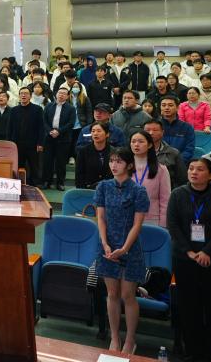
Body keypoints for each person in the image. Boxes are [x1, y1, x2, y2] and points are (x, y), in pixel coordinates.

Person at [167, 157, 211, 362]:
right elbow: (173, 225)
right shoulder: (178, 194)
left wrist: (207, 252)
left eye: (200, 169)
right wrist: (189, 251)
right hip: (185, 259)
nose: (194, 172)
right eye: (191, 168)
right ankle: (192, 352)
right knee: (189, 308)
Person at [94, 147, 149, 356]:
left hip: (130, 247)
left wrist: (124, 248)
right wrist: (105, 243)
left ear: (129, 165)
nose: (114, 165)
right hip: (107, 246)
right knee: (112, 293)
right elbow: (100, 217)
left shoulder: (138, 191)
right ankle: (115, 337)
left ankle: (130, 339)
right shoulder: (103, 186)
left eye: (118, 161)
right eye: (111, 161)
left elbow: (137, 224)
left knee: (128, 295)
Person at [127, 131, 171, 227]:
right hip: (127, 219)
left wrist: (163, 224)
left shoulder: (161, 169)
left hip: (152, 220)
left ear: (150, 145)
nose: (136, 144)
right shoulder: (124, 167)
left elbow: (165, 199)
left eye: (141, 141)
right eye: (133, 141)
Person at [7, 87, 45, 186]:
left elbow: (41, 127)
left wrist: (40, 143)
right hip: (17, 144)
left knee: (34, 166)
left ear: (30, 96)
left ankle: (35, 185)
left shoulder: (37, 109)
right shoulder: (14, 110)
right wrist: (9, 143)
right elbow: (10, 128)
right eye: (21, 93)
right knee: (18, 165)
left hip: (33, 144)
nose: (23, 95)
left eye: (26, 93)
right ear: (19, 96)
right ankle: (18, 185)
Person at [42, 88, 76, 190]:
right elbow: (44, 120)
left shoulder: (71, 108)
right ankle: (47, 181)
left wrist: (59, 131)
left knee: (61, 162)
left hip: (63, 138)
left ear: (67, 96)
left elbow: (71, 123)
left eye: (64, 94)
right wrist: (50, 131)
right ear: (56, 94)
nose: (61, 95)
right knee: (47, 161)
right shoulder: (48, 106)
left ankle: (60, 182)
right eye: (59, 93)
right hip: (49, 137)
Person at [142, 119, 187, 189]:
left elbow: (182, 179)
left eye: (155, 130)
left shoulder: (173, 153)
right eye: (147, 130)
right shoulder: (136, 152)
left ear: (162, 132)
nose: (151, 133)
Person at [74, 123, 112, 189]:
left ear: (107, 134)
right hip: (88, 188)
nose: (95, 133)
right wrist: (81, 190)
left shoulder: (113, 151)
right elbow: (79, 174)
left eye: (99, 131)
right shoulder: (83, 151)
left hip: (109, 188)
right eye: (93, 131)